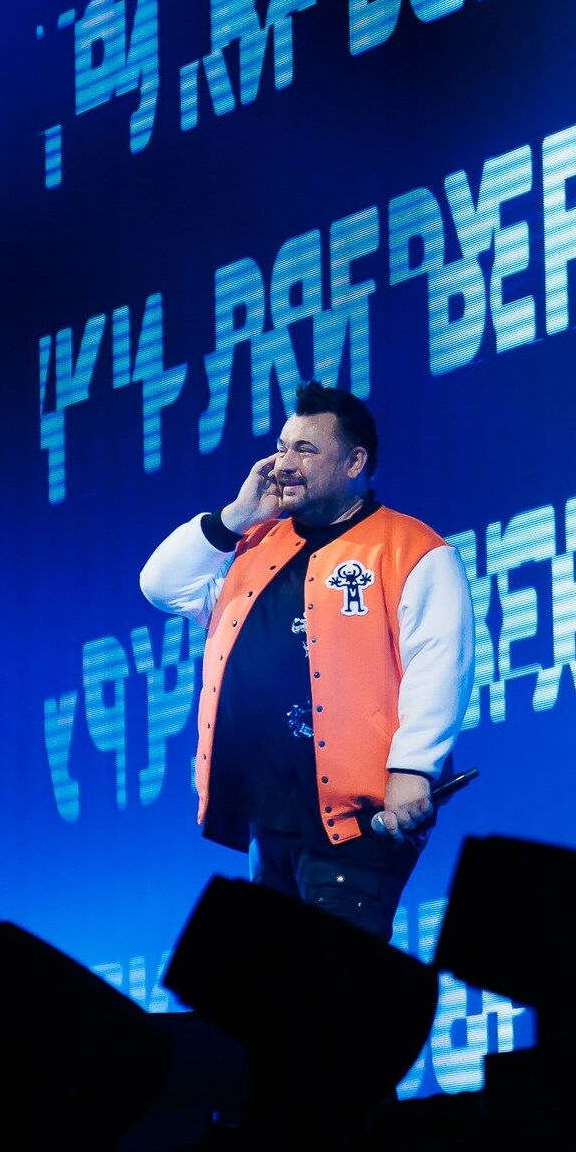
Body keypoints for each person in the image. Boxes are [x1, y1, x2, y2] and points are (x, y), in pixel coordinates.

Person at [139, 382, 476, 938]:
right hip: (269, 819)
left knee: (333, 977)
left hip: (356, 822)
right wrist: (236, 516)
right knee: (278, 982)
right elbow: (160, 584)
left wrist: (414, 768)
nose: (284, 463)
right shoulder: (255, 544)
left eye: (305, 450)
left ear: (354, 462)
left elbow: (439, 662)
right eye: (281, 447)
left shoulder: (410, 547)